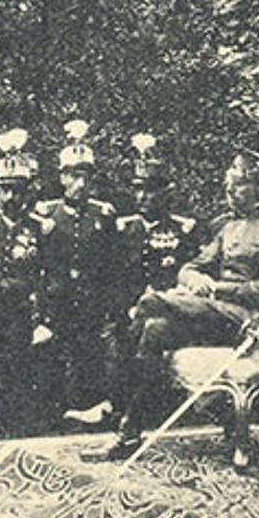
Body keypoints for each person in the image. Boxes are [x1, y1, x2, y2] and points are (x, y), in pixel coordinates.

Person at [98, 148, 259, 460]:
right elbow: (191, 266)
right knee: (154, 329)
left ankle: (119, 402)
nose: (231, 191)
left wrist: (216, 288)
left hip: (249, 322)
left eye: (239, 185)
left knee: (151, 302)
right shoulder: (231, 227)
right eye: (230, 185)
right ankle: (130, 431)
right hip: (213, 315)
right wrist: (194, 278)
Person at [106, 136, 203, 418]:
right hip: (129, 310)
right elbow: (113, 278)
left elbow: (191, 272)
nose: (142, 197)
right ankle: (123, 409)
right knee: (118, 339)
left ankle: (149, 411)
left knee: (155, 331)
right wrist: (126, 307)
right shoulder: (122, 228)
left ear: (165, 193)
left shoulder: (183, 229)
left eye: (150, 190)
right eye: (137, 189)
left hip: (170, 309)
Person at [34, 119, 119, 430]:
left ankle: (92, 414)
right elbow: (38, 266)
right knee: (53, 358)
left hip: (91, 303)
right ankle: (53, 417)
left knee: (92, 356)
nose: (79, 183)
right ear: (62, 177)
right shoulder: (46, 214)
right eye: (72, 175)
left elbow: (112, 265)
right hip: (56, 303)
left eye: (85, 176)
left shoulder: (103, 214)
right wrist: (40, 312)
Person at [0, 128, 51, 440]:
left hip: (24, 312)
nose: (10, 198)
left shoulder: (40, 228)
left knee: (23, 369)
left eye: (17, 190)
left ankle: (24, 427)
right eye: (4, 190)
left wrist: (43, 318)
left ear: (27, 191)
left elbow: (46, 274)